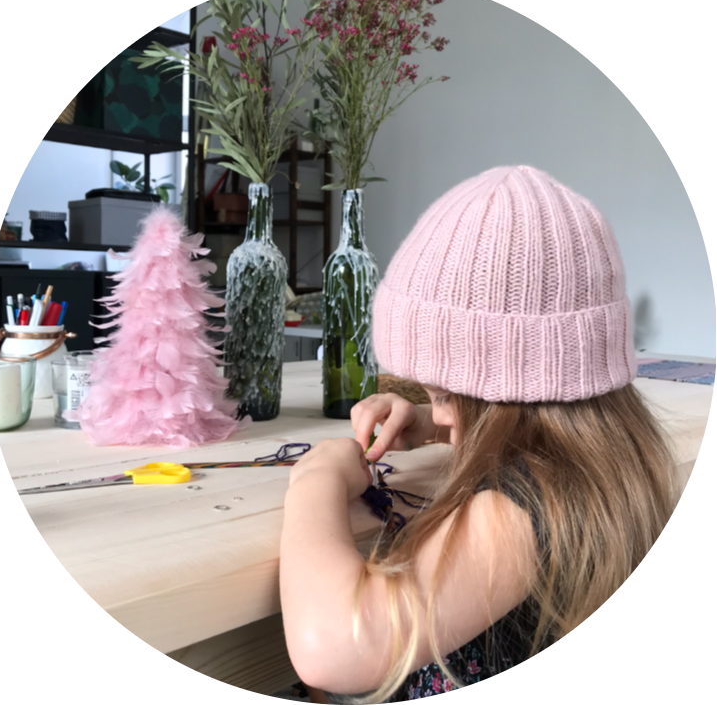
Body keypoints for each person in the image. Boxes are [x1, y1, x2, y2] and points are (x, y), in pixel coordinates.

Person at [279, 165, 678, 702]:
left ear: (504, 391)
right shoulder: (605, 457)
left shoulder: (523, 508)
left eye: (447, 395)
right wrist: (433, 421)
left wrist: (316, 478)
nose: (439, 413)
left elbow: (333, 650)